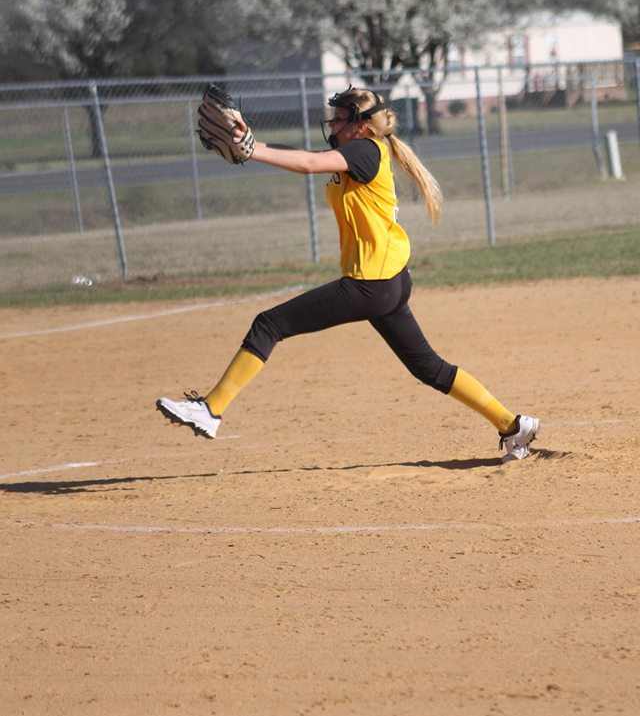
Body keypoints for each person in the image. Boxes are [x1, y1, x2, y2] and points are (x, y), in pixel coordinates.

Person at [157, 86, 539, 462]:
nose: (332, 124)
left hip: (371, 283)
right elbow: (308, 158)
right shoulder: (358, 150)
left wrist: (253, 150)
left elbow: (308, 164)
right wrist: (252, 142)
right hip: (387, 280)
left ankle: (211, 410)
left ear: (359, 125)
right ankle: (512, 424)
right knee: (429, 368)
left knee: (270, 324)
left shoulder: (363, 151)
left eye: (340, 118)